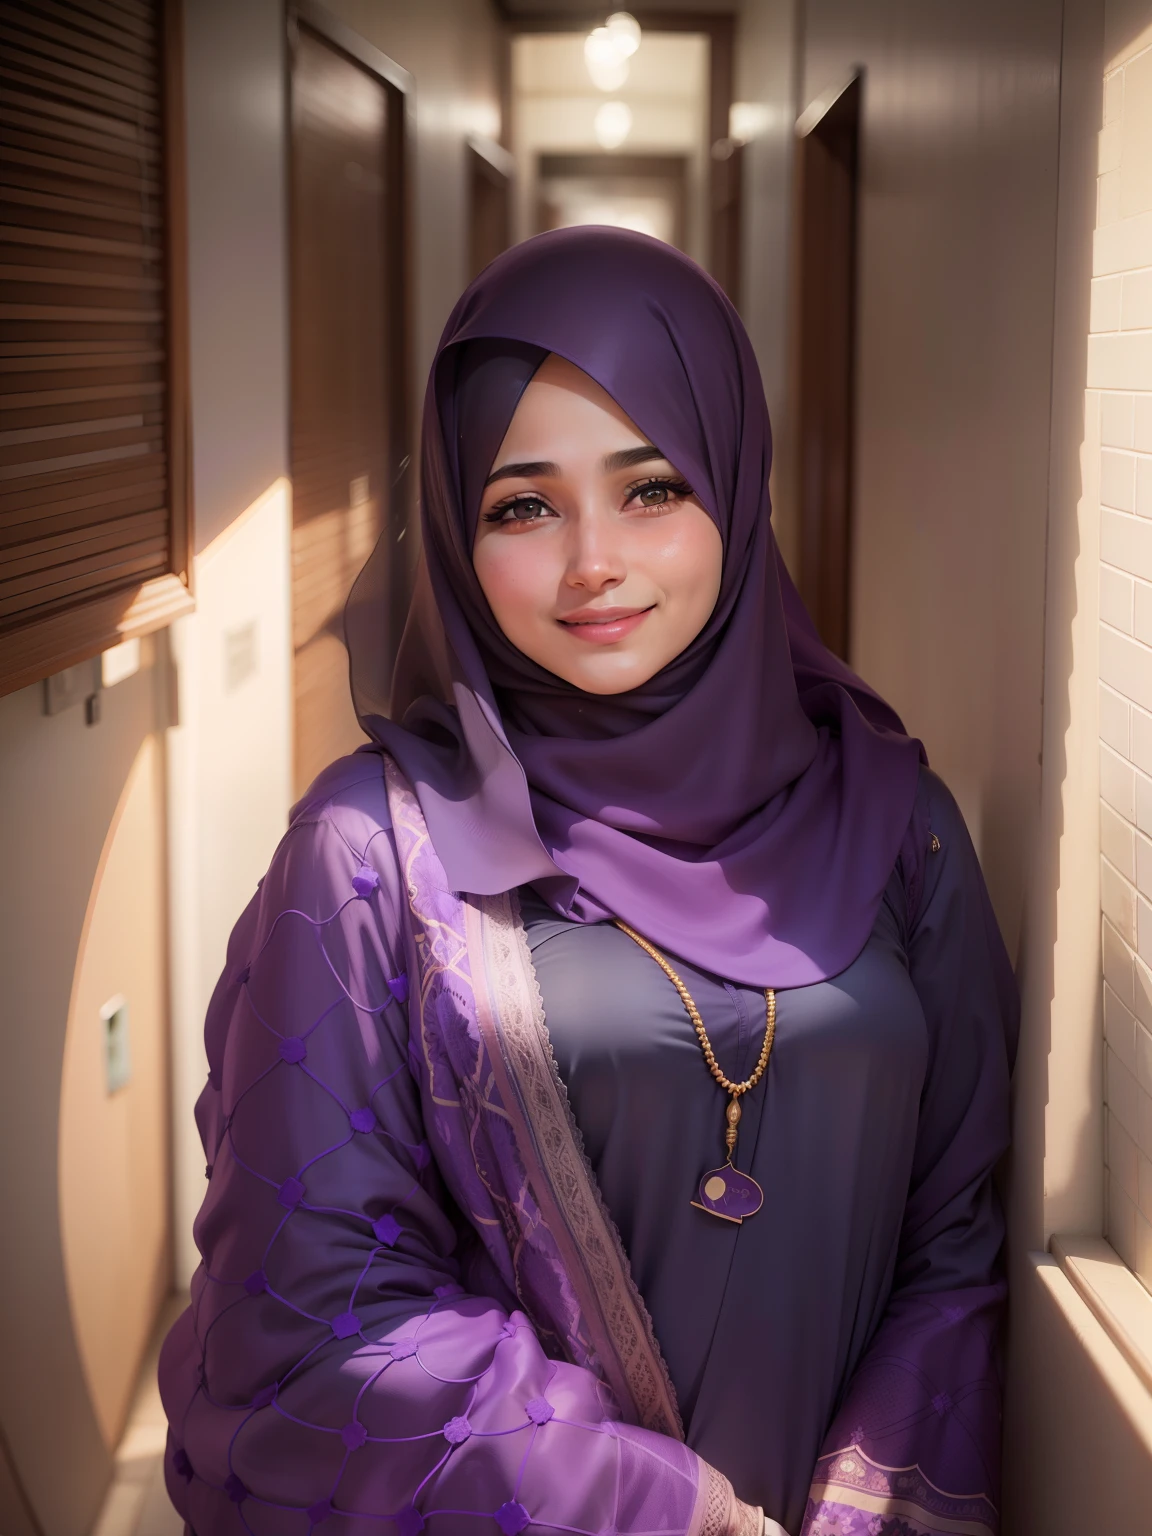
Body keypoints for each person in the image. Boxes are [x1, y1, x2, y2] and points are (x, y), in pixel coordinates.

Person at [159, 228, 1017, 1536]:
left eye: (651, 487)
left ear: (737, 480)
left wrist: (858, 1512)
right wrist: (663, 1513)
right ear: (456, 524)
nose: (591, 564)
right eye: (523, 505)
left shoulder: (899, 819)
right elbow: (305, 1312)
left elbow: (959, 1240)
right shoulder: (371, 851)